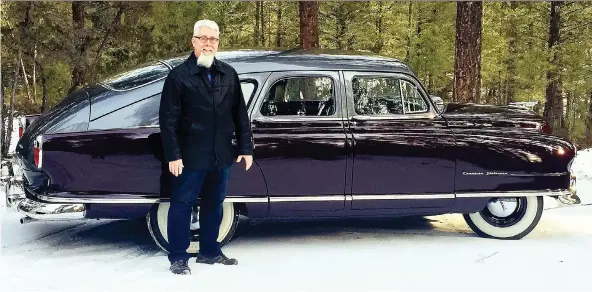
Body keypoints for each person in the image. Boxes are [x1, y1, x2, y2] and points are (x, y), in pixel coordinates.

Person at [159, 19, 254, 275]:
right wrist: (173, 154)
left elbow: (240, 115)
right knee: (181, 205)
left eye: (213, 39)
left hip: (221, 154)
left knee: (215, 204)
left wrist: (246, 148)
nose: (208, 44)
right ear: (194, 41)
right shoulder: (179, 76)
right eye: (203, 38)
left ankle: (209, 252)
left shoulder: (228, 74)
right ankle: (178, 257)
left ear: (218, 43)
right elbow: (167, 120)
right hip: (189, 156)